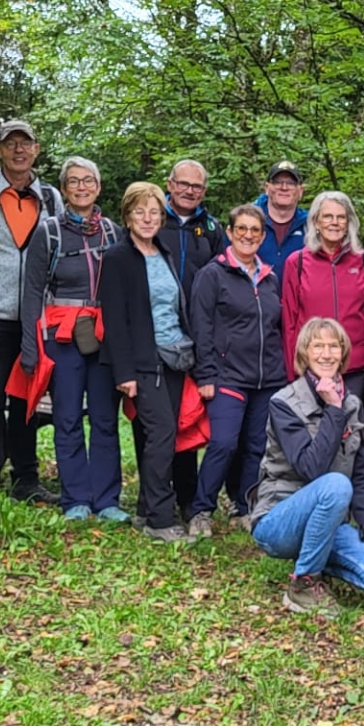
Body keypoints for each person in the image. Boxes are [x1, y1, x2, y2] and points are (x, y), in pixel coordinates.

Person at [251, 318, 364, 618]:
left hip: (326, 523)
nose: (327, 354)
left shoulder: (351, 404)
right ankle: (303, 584)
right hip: (278, 520)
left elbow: (360, 473)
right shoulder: (284, 402)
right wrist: (333, 409)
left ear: (344, 353)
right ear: (304, 353)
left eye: (334, 346)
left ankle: (316, 556)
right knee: (335, 484)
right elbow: (311, 468)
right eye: (318, 346)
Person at [20, 157, 125, 522]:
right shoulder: (47, 232)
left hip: (103, 335)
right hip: (60, 337)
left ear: (98, 187)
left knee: (104, 417)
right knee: (66, 417)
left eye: (88, 181)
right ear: (63, 189)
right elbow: (32, 291)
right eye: (74, 182)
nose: (81, 187)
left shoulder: (112, 232)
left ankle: (107, 498)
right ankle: (75, 497)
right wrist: (30, 348)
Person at [0, 119, 62, 505]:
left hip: (35, 320)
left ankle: (26, 478)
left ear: (37, 150)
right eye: (11, 144)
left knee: (26, 404)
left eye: (26, 143)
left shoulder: (52, 199)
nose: (19, 150)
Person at [100, 182, 196, 543]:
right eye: (139, 211)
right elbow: (115, 318)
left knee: (160, 434)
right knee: (162, 434)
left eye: (154, 211)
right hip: (144, 359)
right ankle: (160, 518)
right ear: (127, 216)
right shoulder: (117, 258)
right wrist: (125, 373)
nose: (147, 218)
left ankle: (144, 508)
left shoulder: (164, 251)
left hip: (174, 355)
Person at [187, 205, 284, 536]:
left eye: (255, 230)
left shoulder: (270, 278)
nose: (248, 235)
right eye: (241, 229)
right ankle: (201, 509)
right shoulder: (212, 275)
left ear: (262, 236)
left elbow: (277, 326)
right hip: (227, 375)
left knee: (257, 446)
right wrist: (206, 375)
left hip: (268, 377)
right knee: (224, 443)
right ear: (229, 233)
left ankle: (243, 507)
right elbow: (200, 327)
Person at [160, 159, 223, 519]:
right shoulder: (154, 220)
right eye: (182, 184)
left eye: (196, 187)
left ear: (205, 191)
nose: (189, 191)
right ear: (169, 184)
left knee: (188, 416)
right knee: (153, 418)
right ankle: (155, 493)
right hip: (159, 333)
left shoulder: (212, 229)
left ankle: (186, 494)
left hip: (197, 335)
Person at [280, 191, 364, 397]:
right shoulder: (296, 263)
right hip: (311, 365)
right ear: (316, 222)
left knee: (351, 426)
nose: (335, 222)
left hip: (355, 367)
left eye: (341, 217)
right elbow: (289, 321)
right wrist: (292, 371)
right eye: (328, 217)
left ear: (348, 223)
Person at [255, 161, 310, 274]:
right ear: (267, 188)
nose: (284, 188)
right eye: (277, 182)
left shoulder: (311, 226)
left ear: (300, 191)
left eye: (291, 183)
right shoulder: (248, 222)